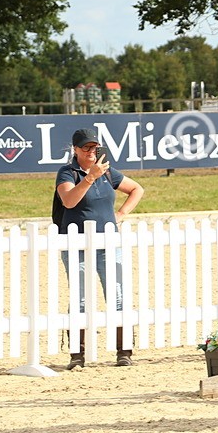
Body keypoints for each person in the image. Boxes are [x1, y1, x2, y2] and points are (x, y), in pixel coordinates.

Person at [55, 128, 145, 369]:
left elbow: (137, 189)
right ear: (75, 149)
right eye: (86, 147)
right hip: (76, 244)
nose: (91, 151)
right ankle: (77, 354)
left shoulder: (107, 171)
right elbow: (69, 201)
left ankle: (124, 351)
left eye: (94, 147)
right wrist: (89, 178)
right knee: (80, 299)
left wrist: (121, 214)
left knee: (117, 295)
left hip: (108, 242)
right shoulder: (67, 172)